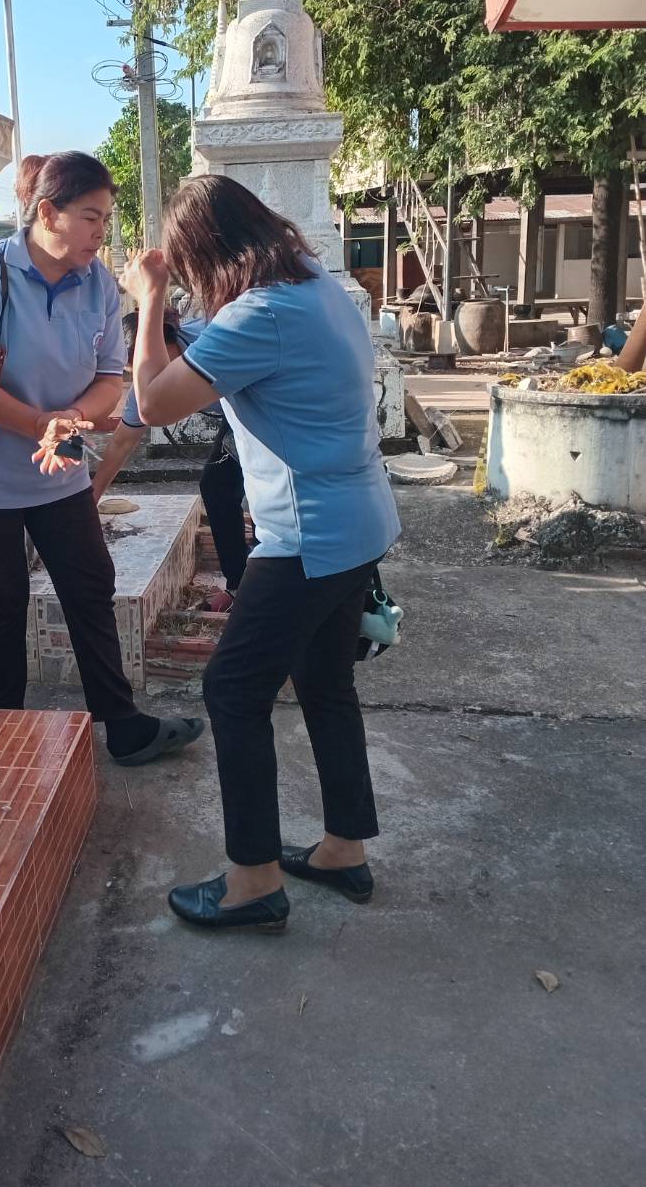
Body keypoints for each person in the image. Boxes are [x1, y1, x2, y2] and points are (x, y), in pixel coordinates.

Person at [125, 174, 401, 932]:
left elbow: (152, 404)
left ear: (205, 253)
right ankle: (344, 848)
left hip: (308, 536)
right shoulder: (315, 285)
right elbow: (204, 356)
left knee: (232, 691)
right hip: (358, 522)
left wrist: (149, 297)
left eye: (186, 267)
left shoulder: (261, 314)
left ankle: (252, 882)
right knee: (324, 682)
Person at [0, 151, 205, 768]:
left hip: (62, 471)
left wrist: (72, 420)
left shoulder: (98, 284)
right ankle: (7, 730)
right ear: (48, 212)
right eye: (90, 217)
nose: (101, 232)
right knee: (2, 605)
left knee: (89, 586)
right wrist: (38, 424)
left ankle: (122, 724)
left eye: (105, 219)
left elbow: (111, 378)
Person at [91, 308, 250, 611]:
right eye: (137, 371)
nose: (152, 380)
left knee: (259, 490)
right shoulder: (146, 383)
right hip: (236, 417)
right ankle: (239, 585)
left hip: (263, 402)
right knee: (216, 487)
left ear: (168, 338)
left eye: (153, 363)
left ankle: (265, 578)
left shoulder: (210, 336)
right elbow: (122, 442)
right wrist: (91, 499)